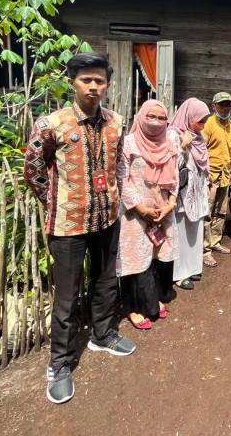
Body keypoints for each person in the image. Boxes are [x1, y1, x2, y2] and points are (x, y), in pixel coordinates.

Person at [24, 52, 136, 405]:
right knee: (66, 297)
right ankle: (59, 364)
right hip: (67, 225)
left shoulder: (117, 122)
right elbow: (33, 169)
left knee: (105, 283)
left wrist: (113, 200)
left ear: (107, 84)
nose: (93, 86)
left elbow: (119, 164)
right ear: (72, 81)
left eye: (100, 80)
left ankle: (102, 335)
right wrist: (58, 203)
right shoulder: (51, 123)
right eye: (86, 79)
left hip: (106, 219)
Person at [116, 100, 179, 330]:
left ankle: (154, 300)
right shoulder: (129, 143)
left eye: (161, 118)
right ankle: (135, 308)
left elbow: (176, 177)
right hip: (136, 213)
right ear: (141, 117)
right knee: (136, 260)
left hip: (163, 211)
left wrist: (170, 205)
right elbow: (121, 178)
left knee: (156, 256)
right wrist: (141, 209)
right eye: (151, 116)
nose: (156, 122)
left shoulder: (171, 142)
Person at [167, 98, 210, 291]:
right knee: (181, 232)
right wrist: (183, 146)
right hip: (182, 194)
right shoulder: (173, 135)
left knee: (195, 230)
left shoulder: (198, 136)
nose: (202, 125)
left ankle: (192, 267)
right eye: (199, 120)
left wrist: (206, 184)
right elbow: (169, 165)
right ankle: (179, 274)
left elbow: (203, 165)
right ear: (188, 116)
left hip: (198, 191)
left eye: (204, 121)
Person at [202, 92, 231, 267]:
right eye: (221, 104)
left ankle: (215, 242)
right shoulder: (208, 124)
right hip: (211, 175)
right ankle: (205, 250)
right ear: (213, 106)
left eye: (227, 104)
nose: (225, 107)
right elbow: (201, 151)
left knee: (221, 211)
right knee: (207, 213)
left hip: (225, 175)